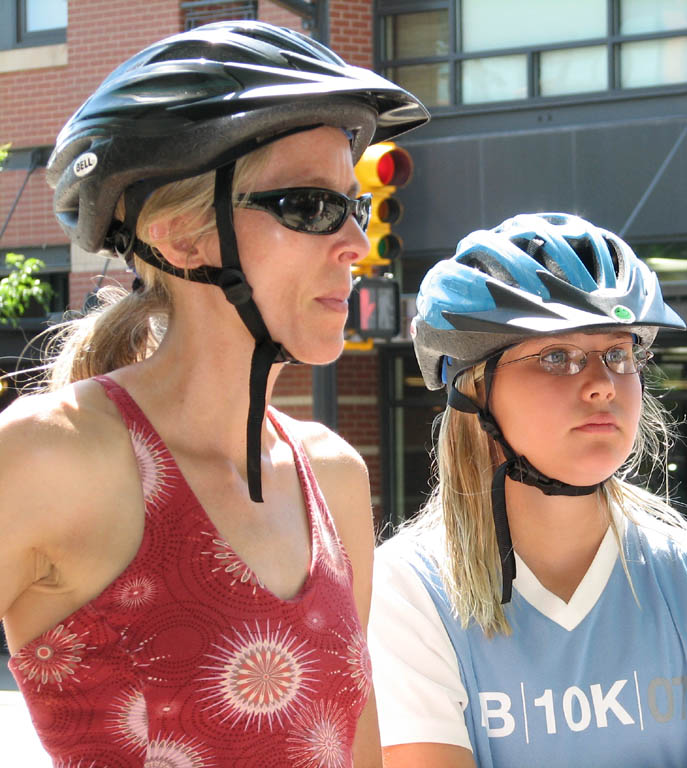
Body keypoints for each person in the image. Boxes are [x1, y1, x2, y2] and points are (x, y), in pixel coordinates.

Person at [0, 21, 427, 766]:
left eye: (353, 207)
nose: (355, 244)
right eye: (310, 206)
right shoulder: (52, 453)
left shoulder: (334, 475)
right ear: (181, 239)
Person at [368, 213, 687, 767]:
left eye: (618, 354)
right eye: (556, 357)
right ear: (474, 390)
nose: (601, 384)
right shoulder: (409, 592)